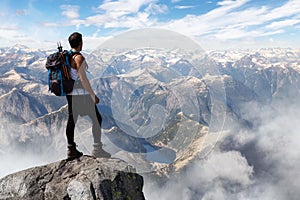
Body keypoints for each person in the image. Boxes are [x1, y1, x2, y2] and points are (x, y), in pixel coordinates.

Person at [66, 32, 111, 160]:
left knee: (71, 121)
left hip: (70, 94)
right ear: (81, 42)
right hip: (81, 95)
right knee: (97, 118)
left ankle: (70, 149)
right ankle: (97, 149)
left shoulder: (68, 56)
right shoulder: (78, 58)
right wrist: (93, 95)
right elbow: (83, 79)